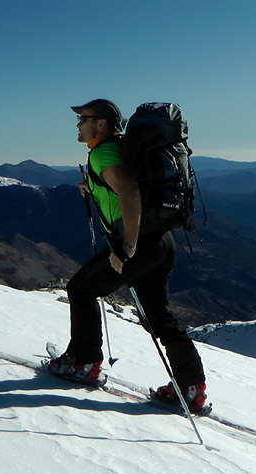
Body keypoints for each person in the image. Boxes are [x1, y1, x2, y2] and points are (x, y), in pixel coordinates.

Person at [48, 98, 207, 413]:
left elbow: (130, 193)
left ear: (102, 123)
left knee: (80, 289)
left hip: (139, 245)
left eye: (83, 118)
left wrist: (127, 247)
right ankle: (192, 388)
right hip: (162, 242)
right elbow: (129, 186)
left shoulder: (105, 153)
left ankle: (83, 363)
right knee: (158, 317)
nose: (78, 124)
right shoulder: (120, 150)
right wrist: (94, 187)